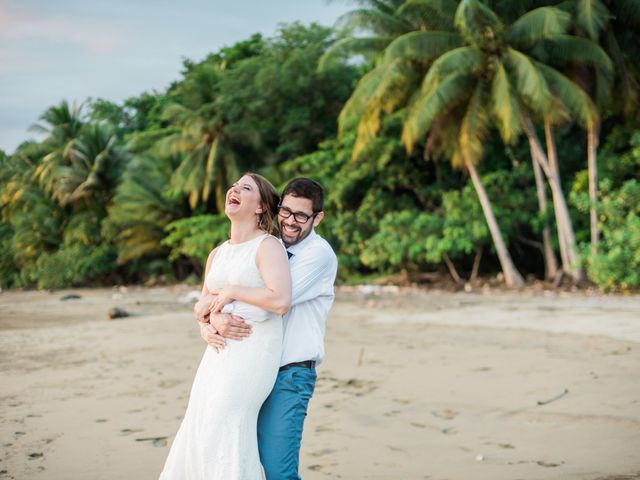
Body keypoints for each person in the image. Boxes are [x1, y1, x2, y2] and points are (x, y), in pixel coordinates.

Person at [201, 178, 338, 479]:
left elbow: (271, 304)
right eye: (285, 211)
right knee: (243, 459)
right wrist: (210, 319)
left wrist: (218, 311)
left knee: (278, 470)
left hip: (289, 372)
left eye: (301, 216)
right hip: (250, 368)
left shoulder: (319, 255)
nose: (290, 221)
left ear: (318, 218)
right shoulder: (268, 245)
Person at [159, 173, 291, 480]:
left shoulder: (268, 246)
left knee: (226, 421)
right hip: (216, 355)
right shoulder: (216, 254)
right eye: (233, 186)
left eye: (246, 188)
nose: (234, 189)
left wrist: (231, 290)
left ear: (260, 207)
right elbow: (203, 307)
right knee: (201, 422)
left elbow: (280, 300)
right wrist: (206, 326)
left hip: (252, 352)